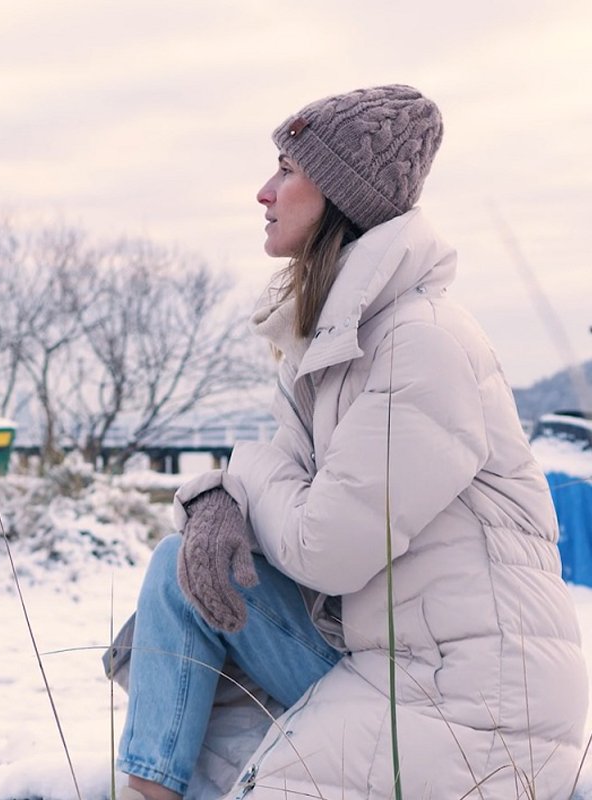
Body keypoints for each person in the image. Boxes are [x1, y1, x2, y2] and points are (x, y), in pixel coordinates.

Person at [114, 85, 588, 800]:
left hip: (475, 697)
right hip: (387, 655)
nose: (262, 191)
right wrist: (218, 498)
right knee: (183, 566)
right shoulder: (330, 349)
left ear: (338, 196)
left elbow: (327, 548)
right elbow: (287, 485)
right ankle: (148, 790)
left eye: (286, 169)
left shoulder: (421, 342)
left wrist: (238, 477)